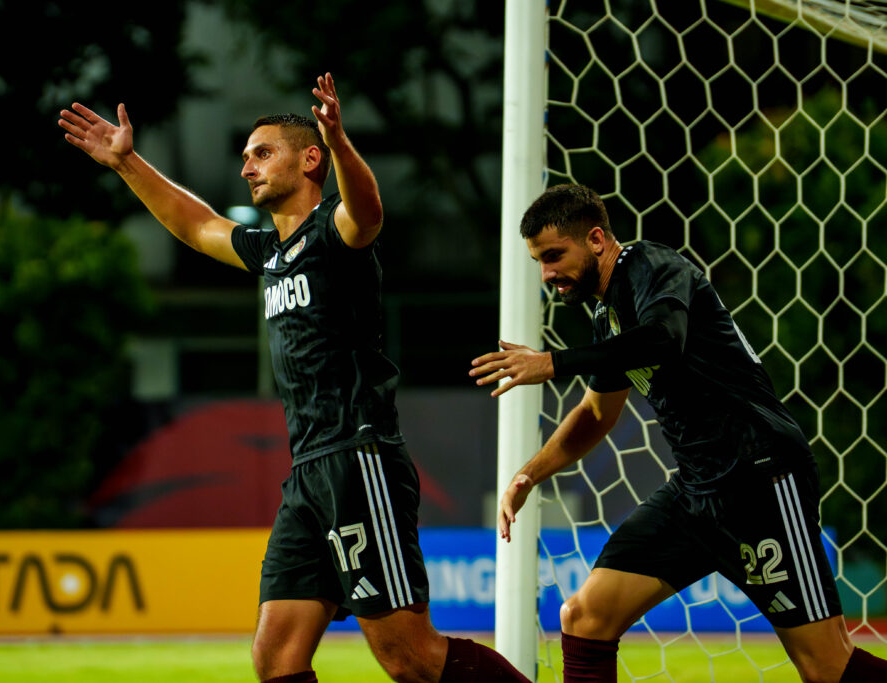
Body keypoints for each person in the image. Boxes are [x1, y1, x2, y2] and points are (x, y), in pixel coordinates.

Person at [59, 73, 529, 683]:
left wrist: (339, 141)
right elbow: (195, 225)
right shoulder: (271, 254)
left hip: (359, 458)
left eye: (262, 153)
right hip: (308, 474)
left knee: (408, 655)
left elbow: (370, 211)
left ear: (310, 160)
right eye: (245, 158)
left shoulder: (337, 233)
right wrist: (127, 164)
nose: (247, 168)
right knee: (276, 656)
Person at [469, 184, 887, 683]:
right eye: (539, 260)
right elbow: (597, 414)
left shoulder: (651, 266)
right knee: (585, 616)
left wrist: (552, 362)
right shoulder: (606, 315)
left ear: (597, 239)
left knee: (826, 666)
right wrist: (528, 475)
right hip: (695, 493)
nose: (547, 274)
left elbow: (665, 339)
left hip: (761, 479)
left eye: (555, 255)